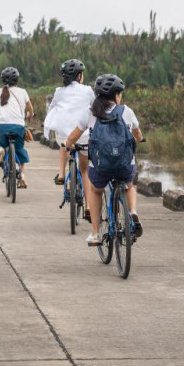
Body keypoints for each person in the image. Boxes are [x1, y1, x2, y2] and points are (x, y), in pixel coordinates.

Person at [63, 73, 144, 246]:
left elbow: (73, 136)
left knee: (96, 190)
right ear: (116, 95)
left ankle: (95, 233)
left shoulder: (90, 113)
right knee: (129, 186)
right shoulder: (127, 112)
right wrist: (136, 141)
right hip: (124, 166)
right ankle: (132, 212)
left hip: (100, 167)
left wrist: (67, 144)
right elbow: (138, 135)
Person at [44, 58, 96, 220]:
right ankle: (88, 206)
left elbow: (52, 108)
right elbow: (95, 108)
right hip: (84, 135)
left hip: (65, 134)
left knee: (64, 143)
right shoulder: (88, 90)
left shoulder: (59, 91)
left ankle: (61, 174)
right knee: (85, 169)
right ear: (79, 75)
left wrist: (47, 121)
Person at [0, 66, 33, 189]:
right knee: (19, 150)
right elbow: (30, 109)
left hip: (1, 127)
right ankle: (23, 177)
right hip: (18, 127)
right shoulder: (23, 92)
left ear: (3, 80)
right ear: (17, 79)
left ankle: (0, 150)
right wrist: (29, 115)